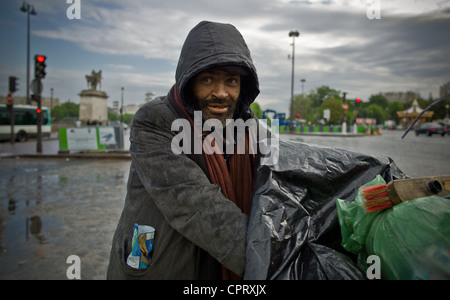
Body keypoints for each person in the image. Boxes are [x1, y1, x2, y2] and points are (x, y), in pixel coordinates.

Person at [107, 21, 267, 279]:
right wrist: (275, 261)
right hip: (160, 267)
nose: (221, 93)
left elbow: (291, 167)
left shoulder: (247, 126)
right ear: (189, 81)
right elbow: (198, 208)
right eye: (207, 79)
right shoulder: (155, 121)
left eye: (232, 80)